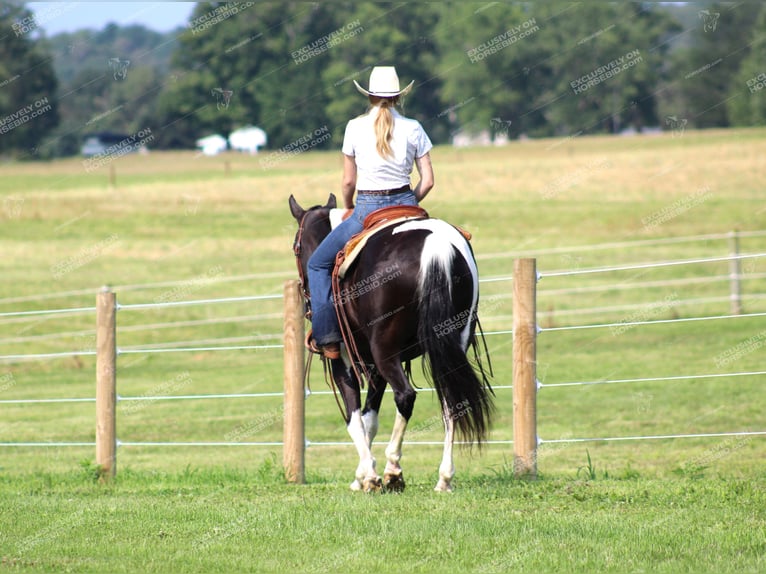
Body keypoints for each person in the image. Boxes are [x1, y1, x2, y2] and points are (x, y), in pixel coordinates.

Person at [307, 66, 435, 359]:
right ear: (399, 96)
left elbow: (348, 181)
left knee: (317, 264)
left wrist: (349, 205)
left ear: (370, 96)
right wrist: (408, 202)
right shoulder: (414, 127)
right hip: (406, 205)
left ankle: (327, 338)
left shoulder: (354, 127)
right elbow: (428, 181)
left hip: (367, 208)